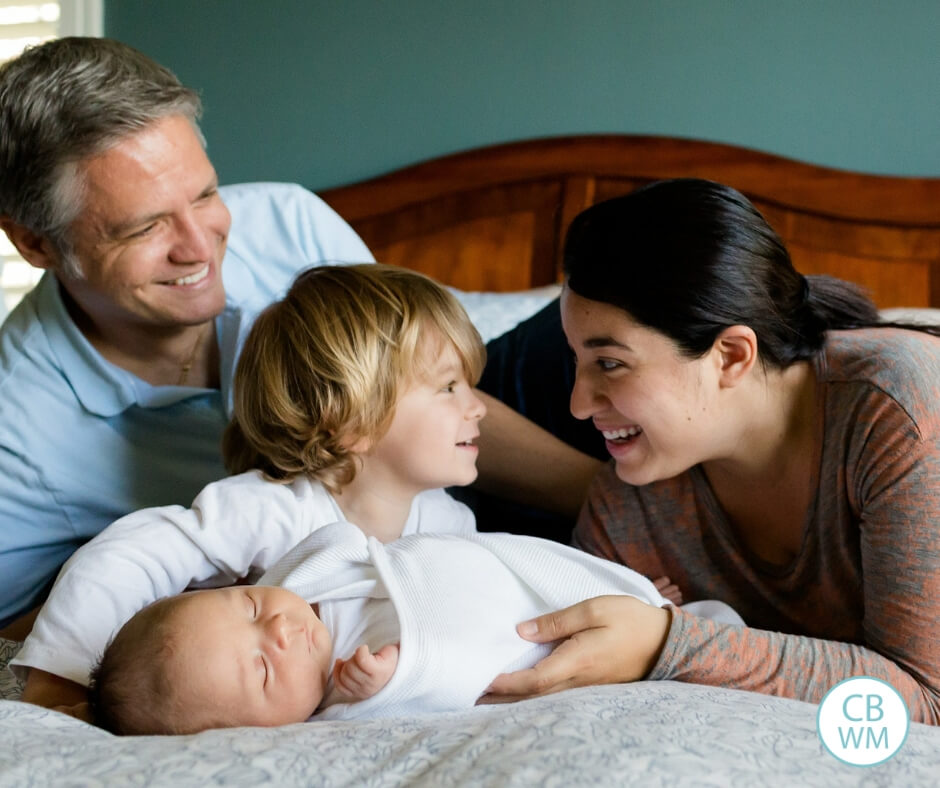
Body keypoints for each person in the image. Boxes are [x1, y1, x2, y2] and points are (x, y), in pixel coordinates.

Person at [0, 39, 600, 642]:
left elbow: (419, 399)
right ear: (36, 244)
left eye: (205, 194)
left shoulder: (286, 220)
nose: (198, 245)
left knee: (616, 313)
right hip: (337, 542)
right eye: (145, 226)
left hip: (446, 437)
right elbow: (13, 637)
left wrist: (606, 499)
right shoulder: (17, 429)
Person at [12, 263, 689, 722]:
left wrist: (623, 591)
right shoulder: (274, 505)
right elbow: (132, 554)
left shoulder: (445, 520)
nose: (477, 409)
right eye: (449, 387)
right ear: (353, 421)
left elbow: (499, 597)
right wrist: (58, 683)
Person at [484, 179, 940, 726]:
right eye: (576, 361)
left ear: (729, 356)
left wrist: (666, 644)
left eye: (609, 363)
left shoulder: (899, 410)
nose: (579, 405)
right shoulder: (627, 507)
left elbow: (924, 697)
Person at [91, 521, 741, 734]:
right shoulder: (343, 707)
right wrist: (381, 682)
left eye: (253, 609)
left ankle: (651, 613)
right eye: (263, 670)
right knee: (709, 654)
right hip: (537, 644)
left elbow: (365, 547)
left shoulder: (308, 574)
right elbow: (442, 692)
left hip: (527, 583)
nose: (284, 632)